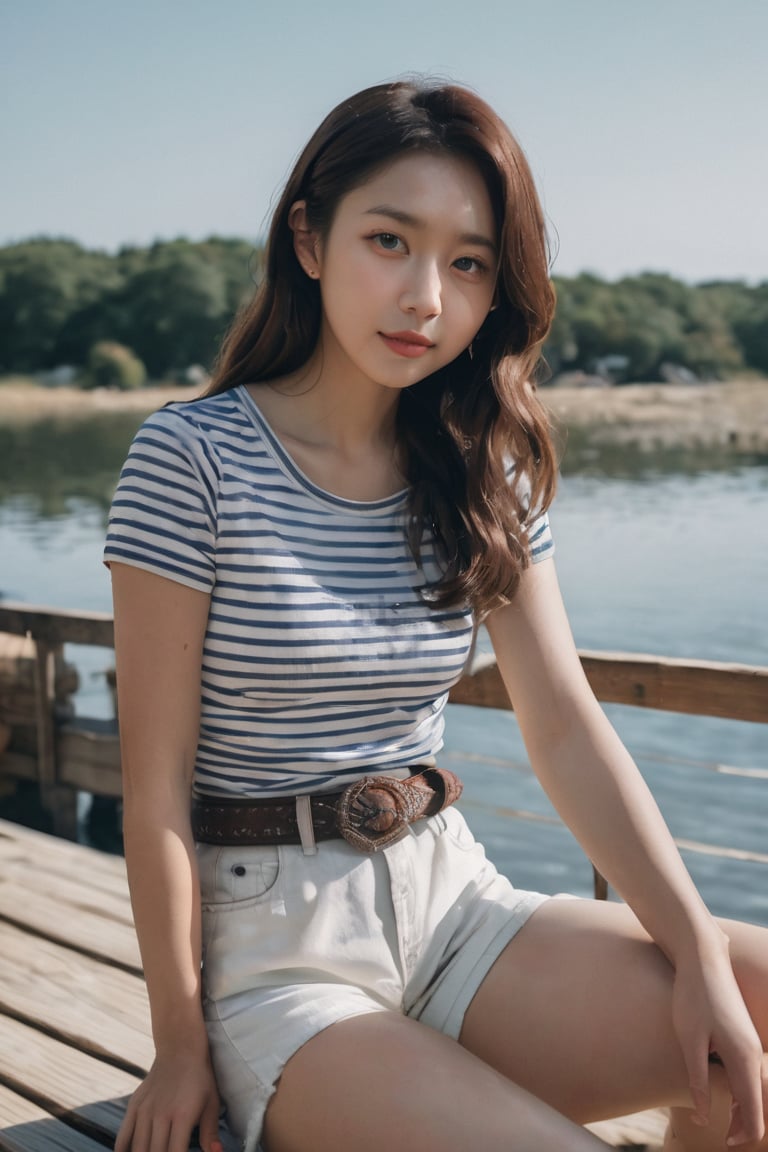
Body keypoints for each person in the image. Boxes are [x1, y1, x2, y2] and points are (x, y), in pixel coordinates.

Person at [104, 80, 767, 1152]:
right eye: (389, 241)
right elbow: (154, 793)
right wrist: (178, 1044)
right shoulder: (194, 462)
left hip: (458, 911)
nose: (425, 298)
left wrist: (692, 948)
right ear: (309, 240)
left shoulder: (477, 469)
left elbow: (563, 724)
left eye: (466, 263)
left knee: (745, 1027)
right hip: (276, 967)